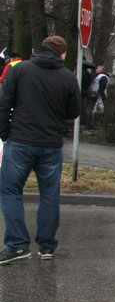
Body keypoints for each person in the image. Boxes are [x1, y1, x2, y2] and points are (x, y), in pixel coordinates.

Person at [0, 36, 81, 264]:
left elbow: (4, 102)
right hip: (50, 144)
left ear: (41, 49)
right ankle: (46, 246)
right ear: (62, 54)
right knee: (49, 195)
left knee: (10, 191)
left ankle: (17, 245)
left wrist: (5, 133)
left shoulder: (20, 69)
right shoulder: (67, 77)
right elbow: (73, 111)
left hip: (20, 140)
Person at [88, 65, 109, 129]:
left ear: (100, 70)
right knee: (98, 110)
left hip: (99, 95)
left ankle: (100, 123)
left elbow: (103, 86)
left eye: (97, 69)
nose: (96, 70)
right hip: (97, 95)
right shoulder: (100, 77)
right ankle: (97, 122)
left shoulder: (102, 77)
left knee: (100, 110)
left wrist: (99, 93)